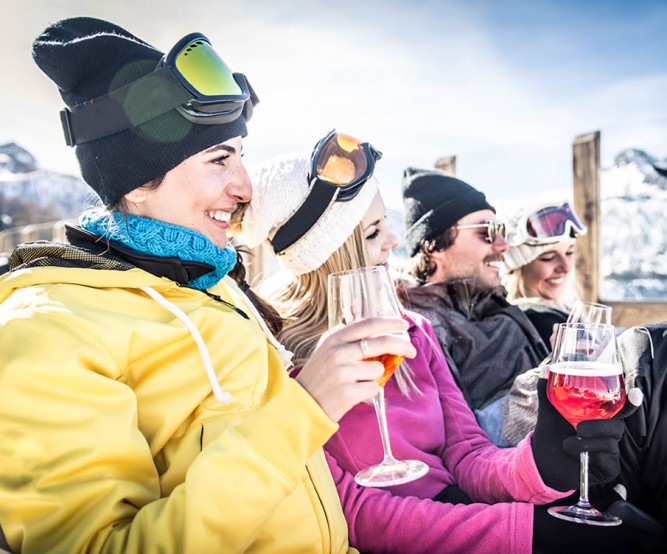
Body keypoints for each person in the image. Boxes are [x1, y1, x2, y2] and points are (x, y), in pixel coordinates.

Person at [0, 18, 417, 553]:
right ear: (137, 181)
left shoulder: (208, 286)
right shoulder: (47, 328)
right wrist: (304, 408)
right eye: (219, 159)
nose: (243, 186)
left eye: (240, 155)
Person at [239, 130, 660, 553]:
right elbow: (354, 514)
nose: (393, 241)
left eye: (386, 225)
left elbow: (468, 453)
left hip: (469, 511)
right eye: (372, 234)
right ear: (329, 254)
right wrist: (528, 533)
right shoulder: (279, 361)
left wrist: (542, 465)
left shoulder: (412, 332)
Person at [396, 167, 549, 445]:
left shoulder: (490, 304)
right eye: (487, 232)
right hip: (516, 473)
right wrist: (549, 387)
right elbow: (457, 441)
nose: (503, 245)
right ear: (435, 246)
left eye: (500, 230)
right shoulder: (423, 330)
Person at [503, 200, 587, 345]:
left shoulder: (564, 313)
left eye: (569, 252)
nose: (565, 267)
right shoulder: (541, 323)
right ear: (519, 267)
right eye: (548, 258)